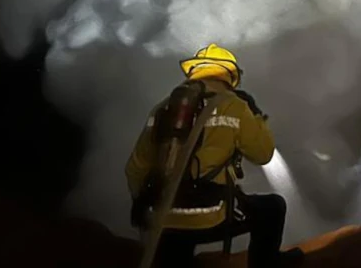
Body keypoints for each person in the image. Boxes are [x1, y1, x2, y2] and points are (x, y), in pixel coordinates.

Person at [126, 43, 303, 268]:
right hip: (210, 216)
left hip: (161, 218)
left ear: (195, 71)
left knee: (175, 240)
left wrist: (148, 208)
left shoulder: (163, 109)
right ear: (229, 76)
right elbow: (263, 155)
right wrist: (257, 116)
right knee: (273, 207)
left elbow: (134, 169)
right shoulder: (235, 106)